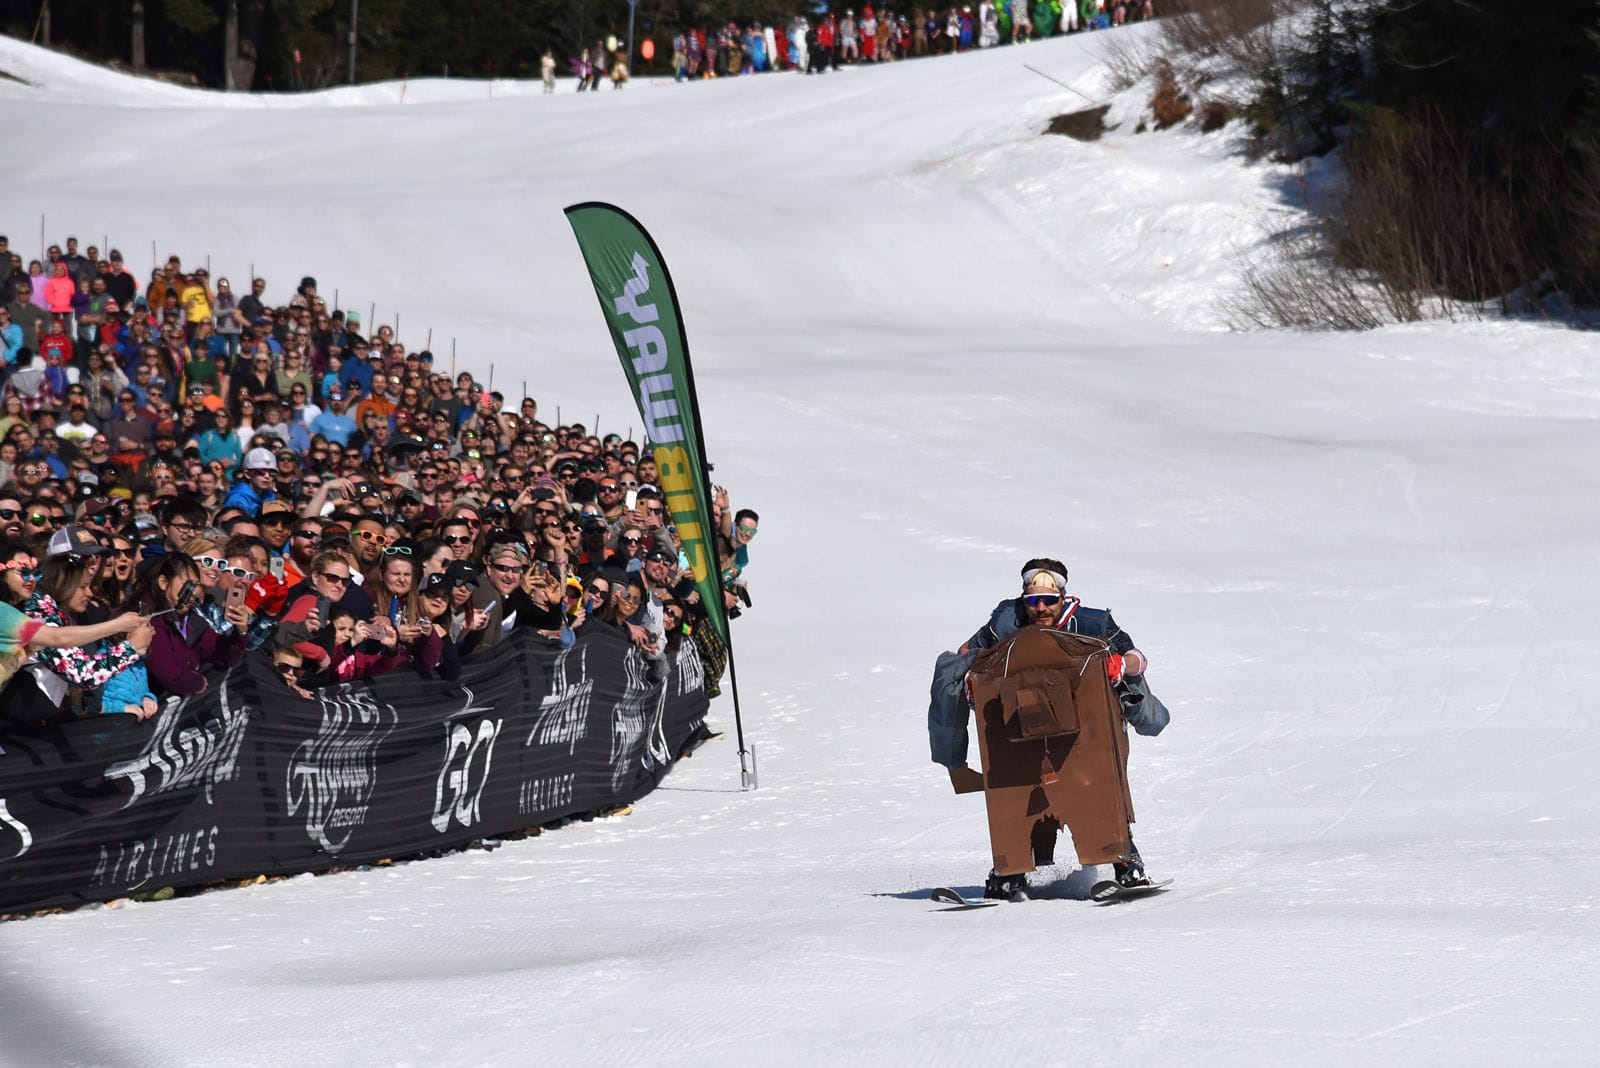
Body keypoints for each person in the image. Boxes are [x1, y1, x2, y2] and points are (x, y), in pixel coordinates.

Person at [928, 557, 1169, 898]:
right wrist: (970, 676)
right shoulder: (1005, 622)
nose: (1040, 608)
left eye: (1048, 600)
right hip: (1021, 725)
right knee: (1019, 789)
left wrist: (1119, 664)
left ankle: (1126, 862)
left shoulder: (1092, 622)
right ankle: (1010, 869)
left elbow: (1137, 657)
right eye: (1033, 601)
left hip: (1090, 729)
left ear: (1063, 597)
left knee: (1096, 786)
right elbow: (968, 652)